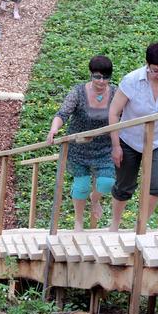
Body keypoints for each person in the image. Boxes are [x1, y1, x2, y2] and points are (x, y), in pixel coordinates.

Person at [108, 43, 158, 232]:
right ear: (147, 65)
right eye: (156, 70)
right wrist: (116, 145)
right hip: (129, 139)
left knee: (156, 186)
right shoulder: (131, 81)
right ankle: (114, 224)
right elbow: (114, 112)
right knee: (124, 186)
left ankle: (140, 225)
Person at [46, 56, 117, 231]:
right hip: (79, 147)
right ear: (90, 75)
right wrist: (54, 129)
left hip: (104, 147)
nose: (101, 81)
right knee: (81, 186)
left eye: (106, 77)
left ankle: (95, 199)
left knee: (107, 182)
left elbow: (126, 115)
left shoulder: (116, 93)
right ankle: (78, 221)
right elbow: (62, 114)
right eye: (97, 77)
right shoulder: (78, 92)